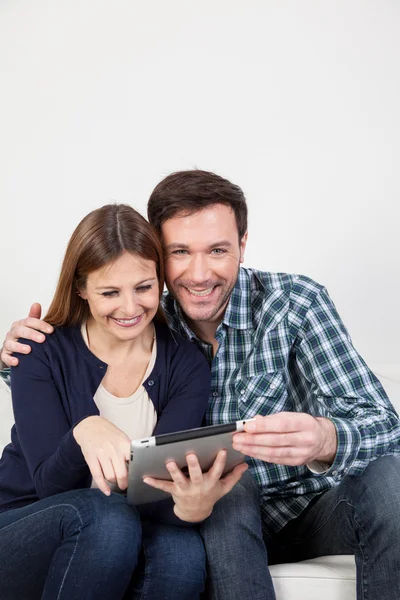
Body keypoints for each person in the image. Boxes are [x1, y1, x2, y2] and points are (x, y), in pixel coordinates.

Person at [2, 170, 400, 600]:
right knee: (224, 492)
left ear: (242, 246)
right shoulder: (144, 316)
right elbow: (67, 358)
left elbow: (385, 426)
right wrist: (16, 357)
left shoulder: (291, 306)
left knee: (388, 478)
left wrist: (327, 438)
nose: (199, 273)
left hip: (297, 507)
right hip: (216, 513)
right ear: (159, 254)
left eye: (217, 250)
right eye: (180, 252)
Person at [0, 202, 248, 600]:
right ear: (81, 288)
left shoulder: (185, 363)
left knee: (182, 554)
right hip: (22, 526)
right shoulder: (38, 350)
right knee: (108, 517)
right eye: (110, 292)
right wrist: (85, 429)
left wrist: (189, 508)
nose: (131, 308)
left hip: (123, 527)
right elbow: (49, 486)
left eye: (144, 288)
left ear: (161, 281)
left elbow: (162, 490)